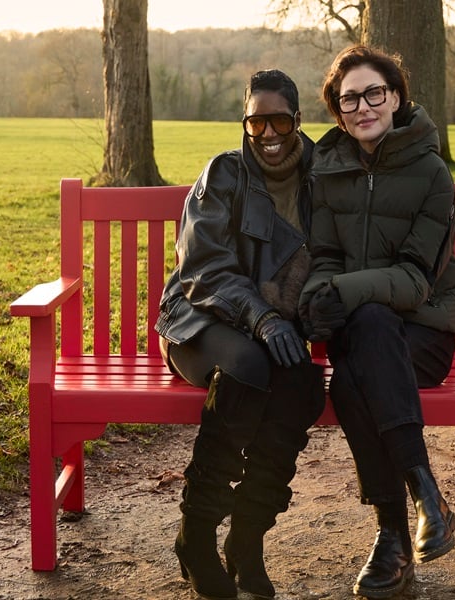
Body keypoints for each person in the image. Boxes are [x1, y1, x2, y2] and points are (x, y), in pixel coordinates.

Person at [299, 46, 455, 598]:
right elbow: (325, 255)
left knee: (355, 373)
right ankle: (425, 500)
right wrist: (319, 295)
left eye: (374, 93)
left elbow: (416, 280)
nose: (363, 107)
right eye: (349, 99)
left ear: (395, 97)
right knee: (364, 341)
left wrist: (341, 291)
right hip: (361, 332)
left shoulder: (432, 172)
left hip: (424, 333)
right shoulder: (328, 170)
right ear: (338, 110)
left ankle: (392, 532)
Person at [155, 69, 325, 600]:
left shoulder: (322, 175)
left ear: (297, 119)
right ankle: (196, 535)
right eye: (256, 122)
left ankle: (247, 540)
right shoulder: (224, 174)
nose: (268, 133)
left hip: (267, 330)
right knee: (249, 367)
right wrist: (262, 318)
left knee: (302, 383)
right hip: (199, 319)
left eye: (279, 121)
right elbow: (203, 269)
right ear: (244, 123)